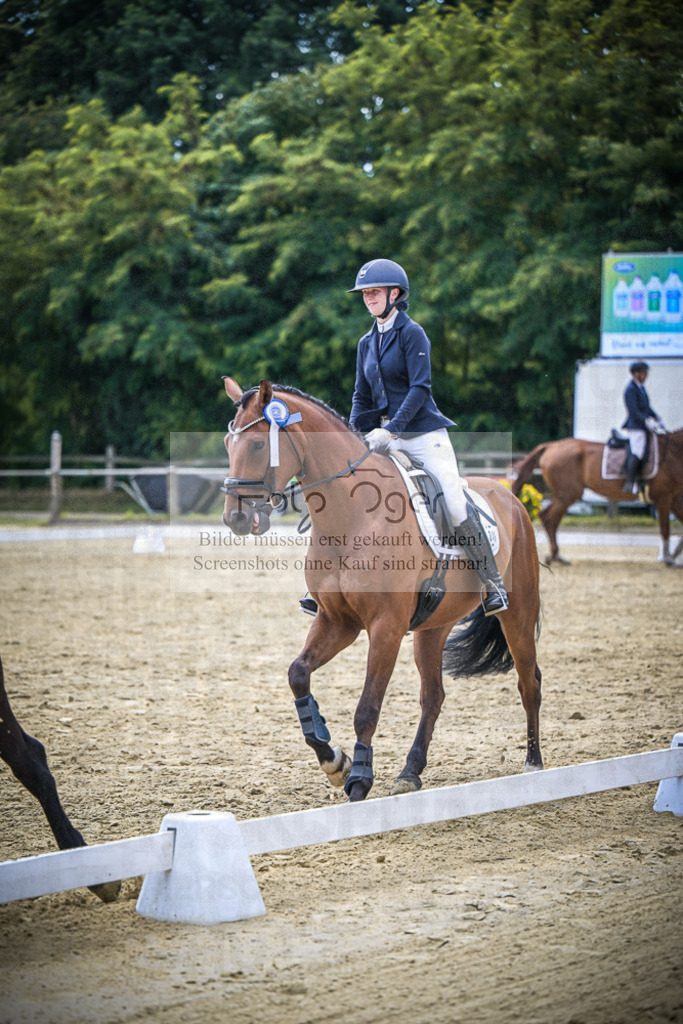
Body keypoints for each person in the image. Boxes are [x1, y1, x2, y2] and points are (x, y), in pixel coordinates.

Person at [347, 257, 507, 615]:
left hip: (422, 434)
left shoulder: (412, 333)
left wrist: (392, 429)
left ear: (395, 294)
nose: (368, 298)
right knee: (354, 494)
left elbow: (420, 388)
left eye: (374, 292)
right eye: (365, 293)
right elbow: (361, 394)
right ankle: (331, 586)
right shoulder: (366, 342)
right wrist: (355, 432)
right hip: (382, 436)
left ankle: (493, 583)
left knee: (451, 499)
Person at [621, 361, 665, 494]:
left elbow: (646, 407)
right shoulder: (630, 390)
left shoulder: (641, 388)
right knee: (638, 451)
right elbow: (634, 411)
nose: (646, 375)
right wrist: (646, 421)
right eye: (644, 373)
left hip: (644, 425)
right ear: (636, 373)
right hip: (636, 426)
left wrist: (656, 417)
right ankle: (630, 482)